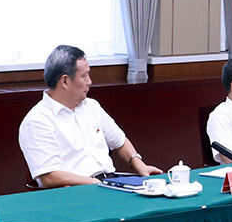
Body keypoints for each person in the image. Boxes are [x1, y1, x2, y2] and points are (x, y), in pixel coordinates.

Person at [18, 44, 162, 188]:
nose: (90, 82)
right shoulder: (37, 120)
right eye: (84, 76)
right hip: (76, 191)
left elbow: (119, 141)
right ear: (65, 81)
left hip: (108, 182)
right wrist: (94, 183)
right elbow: (49, 177)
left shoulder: (91, 106)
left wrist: (138, 163)